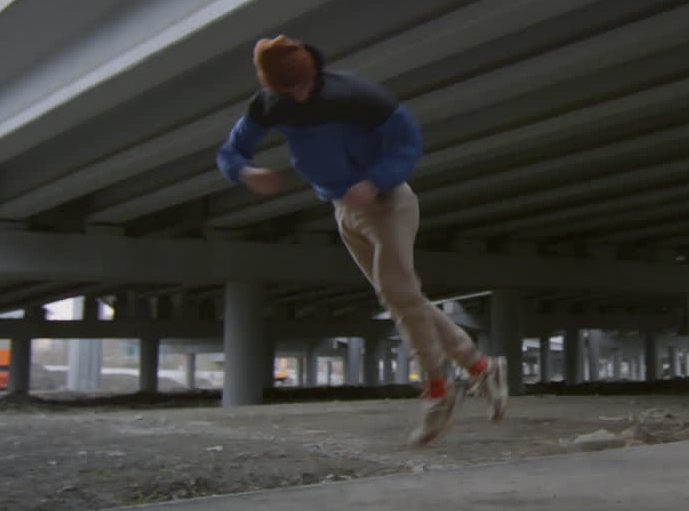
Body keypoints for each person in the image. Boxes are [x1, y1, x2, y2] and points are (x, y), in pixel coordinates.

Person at [215, 35, 507, 445]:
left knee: (396, 293)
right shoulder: (268, 104)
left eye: (301, 86)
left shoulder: (357, 96)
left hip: (388, 202)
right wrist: (245, 173)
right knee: (403, 297)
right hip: (344, 208)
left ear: (312, 72)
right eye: (286, 90)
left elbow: (408, 143)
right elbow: (230, 152)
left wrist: (376, 180)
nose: (297, 96)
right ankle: (480, 368)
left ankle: (439, 390)